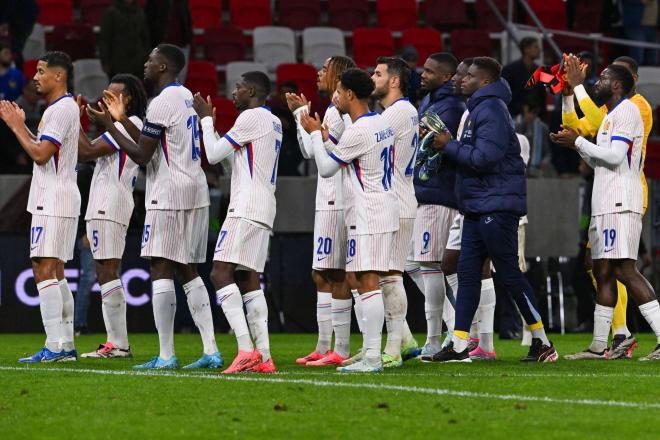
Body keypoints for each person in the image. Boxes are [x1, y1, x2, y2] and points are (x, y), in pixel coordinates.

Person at [90, 44, 222, 370]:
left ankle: (166, 354)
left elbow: (141, 155)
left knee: (160, 267)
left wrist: (110, 125)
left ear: (164, 67)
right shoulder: (186, 97)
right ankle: (211, 350)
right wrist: (122, 120)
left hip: (169, 193)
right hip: (195, 189)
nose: (145, 65)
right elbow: (156, 140)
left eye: (150, 61)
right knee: (188, 270)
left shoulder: (162, 102)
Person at [428, 57, 557, 363]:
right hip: (477, 203)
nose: (462, 79)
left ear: (484, 81)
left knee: (510, 274)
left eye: (469, 76)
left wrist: (448, 146)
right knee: (469, 274)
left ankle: (542, 340)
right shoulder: (479, 108)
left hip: (496, 205)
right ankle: (460, 343)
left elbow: (486, 157)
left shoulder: (492, 110)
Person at [552, 64, 660, 361]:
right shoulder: (610, 116)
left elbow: (614, 157)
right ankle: (600, 346)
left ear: (617, 85)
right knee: (601, 270)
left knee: (625, 268)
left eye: (603, 78)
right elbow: (597, 157)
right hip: (604, 202)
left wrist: (578, 142)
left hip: (620, 200)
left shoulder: (628, 111)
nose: (597, 81)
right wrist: (576, 141)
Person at [300, 68, 399, 373]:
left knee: (367, 280)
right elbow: (356, 159)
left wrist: (316, 134)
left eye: (340, 91)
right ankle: (369, 352)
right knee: (361, 279)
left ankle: (372, 356)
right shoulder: (381, 123)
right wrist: (329, 141)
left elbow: (328, 169)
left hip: (367, 212)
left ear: (350, 95)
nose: (336, 96)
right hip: (383, 206)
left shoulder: (358, 131)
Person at [195, 71, 283, 374]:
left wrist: (206, 120)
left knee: (220, 273)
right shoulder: (273, 121)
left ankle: (245, 350)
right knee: (248, 278)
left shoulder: (250, 118)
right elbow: (236, 160)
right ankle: (265, 356)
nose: (233, 93)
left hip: (245, 206)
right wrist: (219, 135)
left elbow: (214, 154)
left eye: (238, 88)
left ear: (252, 90)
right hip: (263, 206)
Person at [0, 51, 80, 362]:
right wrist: (23, 126)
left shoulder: (60, 110)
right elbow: (46, 148)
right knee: (56, 272)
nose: (35, 77)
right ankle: (66, 345)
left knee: (43, 269)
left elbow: (41, 155)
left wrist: (15, 126)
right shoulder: (63, 108)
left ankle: (54, 346)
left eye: (41, 70)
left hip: (53, 198)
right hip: (60, 195)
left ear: (59, 76)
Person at [286, 56, 357, 367]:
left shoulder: (339, 114)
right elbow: (309, 149)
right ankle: (324, 346)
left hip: (338, 199)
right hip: (327, 198)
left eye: (325, 68)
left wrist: (314, 129)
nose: (318, 72)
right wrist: (301, 115)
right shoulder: (331, 111)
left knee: (334, 273)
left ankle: (339, 349)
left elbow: (329, 155)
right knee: (322, 274)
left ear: (338, 75)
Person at [77, 74, 148, 358]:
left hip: (110, 203)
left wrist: (75, 121)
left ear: (127, 99)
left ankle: (118, 344)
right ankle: (116, 342)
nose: (106, 98)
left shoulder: (130, 126)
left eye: (113, 95)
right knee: (104, 270)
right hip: (105, 202)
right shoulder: (117, 127)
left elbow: (86, 151)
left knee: (107, 270)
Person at [406, 52, 466, 358]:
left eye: (430, 71)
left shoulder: (452, 106)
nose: (423, 74)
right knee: (412, 262)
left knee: (430, 265)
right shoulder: (430, 102)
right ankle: (452, 327)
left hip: (438, 194)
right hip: (424, 193)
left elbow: (443, 148)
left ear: (446, 77)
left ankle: (438, 338)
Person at [371, 56, 420, 368]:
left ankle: (392, 350)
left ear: (394, 81)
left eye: (377, 74)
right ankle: (406, 340)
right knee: (381, 276)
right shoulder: (398, 112)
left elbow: (368, 142)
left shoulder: (399, 112)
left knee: (390, 277)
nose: (372, 78)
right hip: (396, 199)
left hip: (396, 202)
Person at [99, 0, 150, 79]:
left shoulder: (139, 11)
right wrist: (105, 62)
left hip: (137, 62)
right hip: (117, 62)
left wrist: (146, 56)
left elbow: (145, 37)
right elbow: (105, 40)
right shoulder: (111, 13)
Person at [502, 37, 546, 119]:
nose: (539, 50)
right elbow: (505, 96)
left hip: (535, 117)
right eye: (536, 47)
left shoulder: (539, 71)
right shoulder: (510, 70)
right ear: (526, 49)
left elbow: (541, 98)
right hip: (514, 116)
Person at [516, 98, 553, 177]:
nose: (530, 116)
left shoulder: (543, 128)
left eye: (533, 113)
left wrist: (545, 161)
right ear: (524, 110)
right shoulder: (516, 125)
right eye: (528, 112)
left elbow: (547, 152)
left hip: (536, 168)